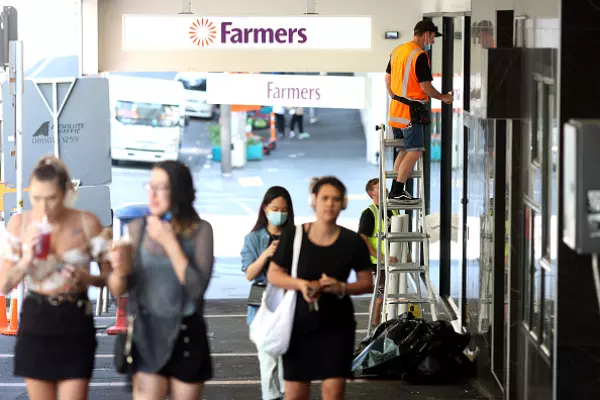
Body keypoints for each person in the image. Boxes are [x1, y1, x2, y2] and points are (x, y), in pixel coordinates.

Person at [0, 155, 111, 400]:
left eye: (51, 198)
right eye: (36, 198)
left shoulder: (86, 222)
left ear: (66, 194)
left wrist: (86, 279)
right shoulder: (19, 225)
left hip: (75, 316)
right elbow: (4, 285)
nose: (43, 207)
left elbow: (110, 277)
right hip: (37, 318)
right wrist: (27, 257)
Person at [107, 160, 214, 400]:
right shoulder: (137, 229)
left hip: (186, 334)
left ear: (179, 190)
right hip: (147, 332)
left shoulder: (201, 230)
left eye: (161, 187)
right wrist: (119, 270)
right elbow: (118, 291)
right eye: (150, 186)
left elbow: (197, 288)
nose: (152, 194)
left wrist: (169, 242)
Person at [268, 176, 373, 400]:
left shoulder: (352, 241)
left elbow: (367, 282)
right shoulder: (294, 236)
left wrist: (341, 287)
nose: (330, 204)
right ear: (313, 201)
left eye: (336, 199)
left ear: (343, 203)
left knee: (333, 393)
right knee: (295, 394)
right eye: (324, 198)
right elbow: (274, 274)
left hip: (337, 326)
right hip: (298, 325)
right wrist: (301, 284)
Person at [385, 19, 453, 203]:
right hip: (410, 114)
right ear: (426, 34)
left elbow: (387, 80)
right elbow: (425, 87)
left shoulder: (397, 50)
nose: (433, 41)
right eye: (433, 37)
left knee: (405, 150)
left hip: (396, 112)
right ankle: (398, 190)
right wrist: (443, 97)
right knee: (415, 151)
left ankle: (394, 190)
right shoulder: (419, 55)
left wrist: (396, 97)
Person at [241, 186, 295, 400]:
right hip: (262, 305)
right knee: (267, 359)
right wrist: (266, 254)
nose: (280, 213)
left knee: (288, 358)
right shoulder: (253, 238)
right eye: (275, 208)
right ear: (265, 209)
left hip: (289, 303)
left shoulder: (295, 236)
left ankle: (286, 392)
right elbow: (249, 273)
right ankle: (270, 396)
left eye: (284, 209)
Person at [357, 178, 399, 327]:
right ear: (371, 193)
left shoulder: (392, 210)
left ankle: (389, 327)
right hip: (378, 263)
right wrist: (381, 257)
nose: (384, 189)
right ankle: (374, 328)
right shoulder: (369, 213)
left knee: (394, 296)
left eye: (384, 187)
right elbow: (363, 240)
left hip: (394, 261)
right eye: (379, 187)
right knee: (380, 297)